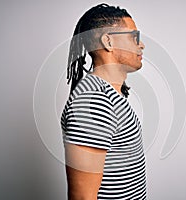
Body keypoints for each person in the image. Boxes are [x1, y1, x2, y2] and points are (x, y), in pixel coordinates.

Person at [61, 3, 146, 199]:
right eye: (134, 37)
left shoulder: (108, 95)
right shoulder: (94, 102)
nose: (141, 44)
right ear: (108, 42)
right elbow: (83, 197)